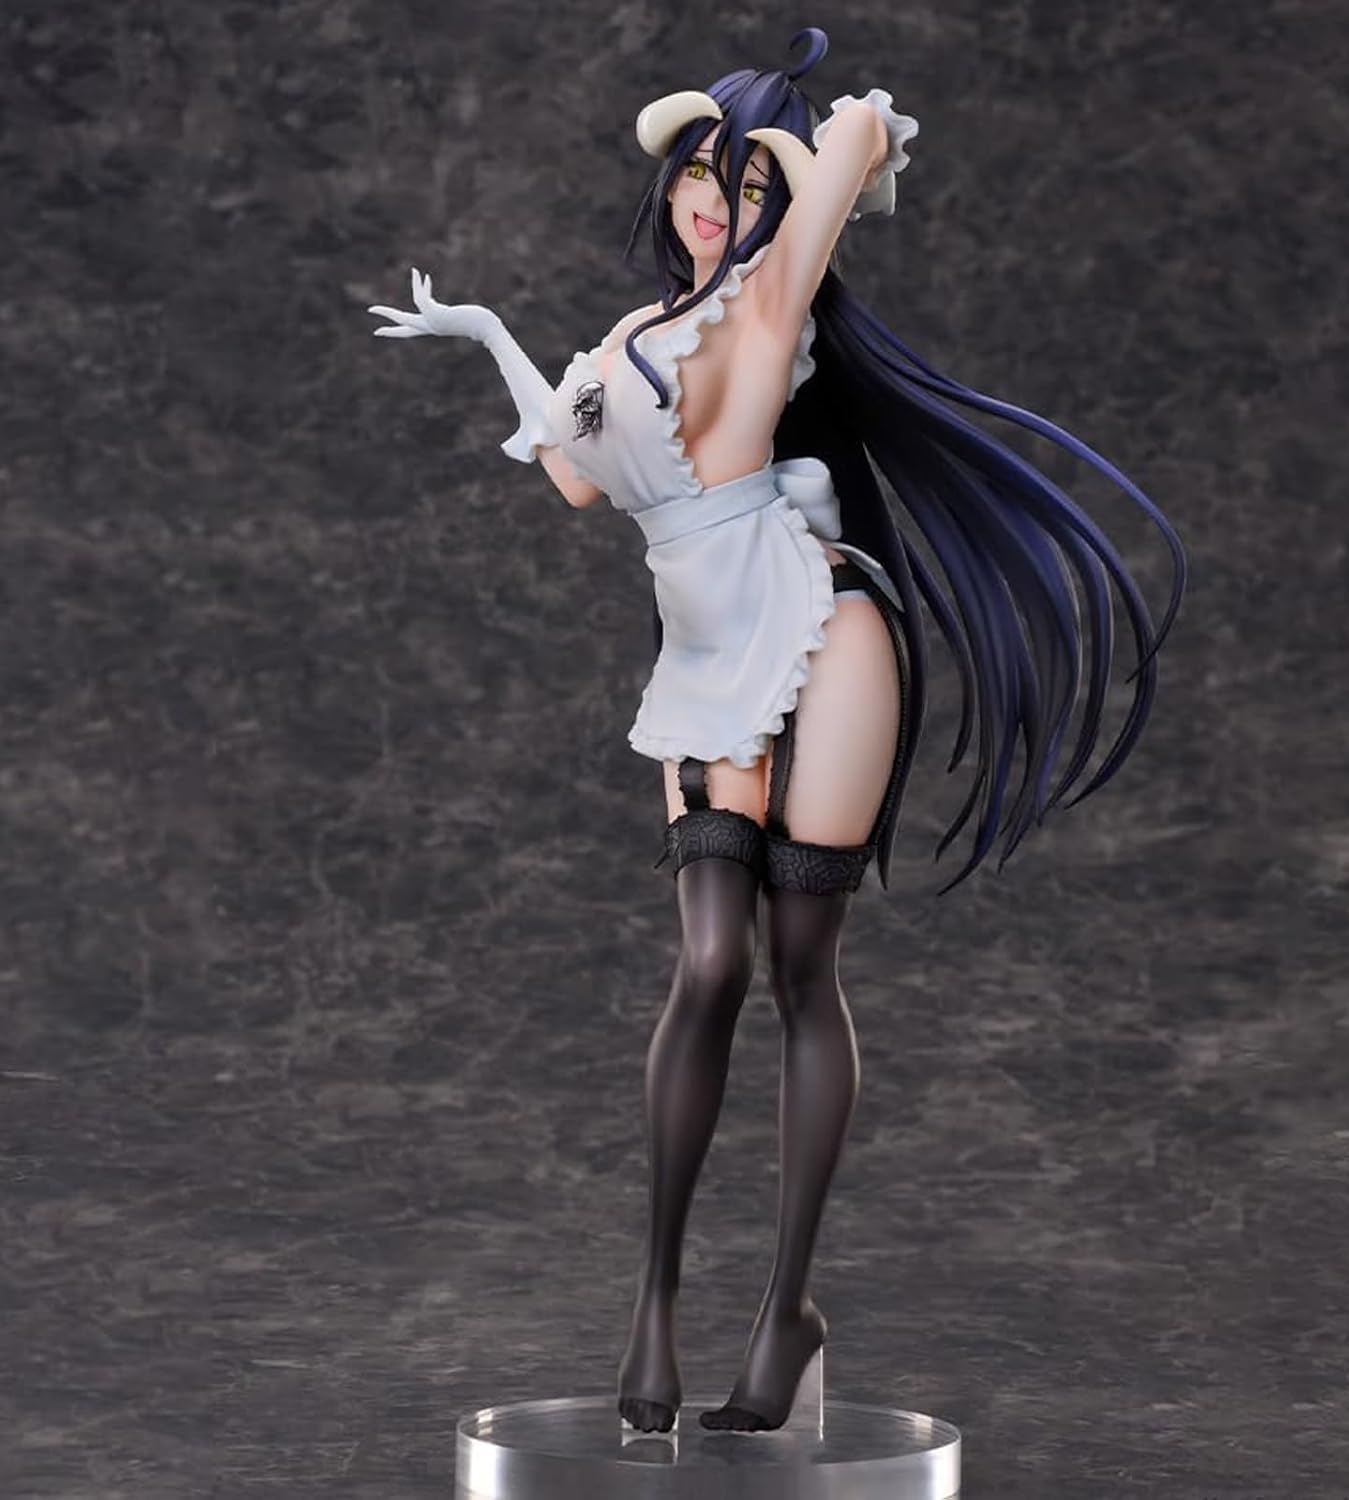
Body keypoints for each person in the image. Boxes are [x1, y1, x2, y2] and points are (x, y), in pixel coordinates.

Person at [369, 25, 1186, 1437]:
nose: (714, 201)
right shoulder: (625, 342)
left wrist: (795, 145)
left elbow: (859, 138)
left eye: (743, 184)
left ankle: (786, 1307)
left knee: (803, 964)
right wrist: (489, 334)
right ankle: (653, 1304)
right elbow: (575, 480)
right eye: (700, 173)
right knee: (707, 962)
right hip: (704, 657)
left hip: (822, 621)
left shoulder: (771, 300)